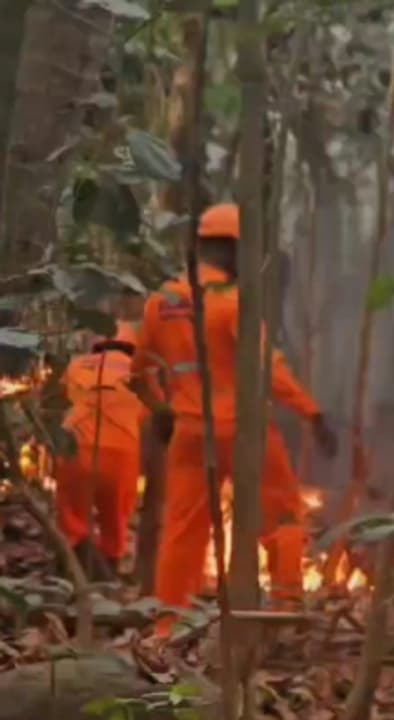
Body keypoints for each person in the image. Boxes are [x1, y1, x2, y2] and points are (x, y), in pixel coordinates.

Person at [130, 203, 336, 631]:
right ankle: (284, 608)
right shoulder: (232, 303)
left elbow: (138, 373)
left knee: (182, 533)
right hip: (244, 433)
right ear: (235, 252)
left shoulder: (162, 301)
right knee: (281, 518)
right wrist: (311, 412)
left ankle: (169, 627)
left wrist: (161, 409)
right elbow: (266, 370)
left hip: (189, 432)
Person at [55, 321, 145, 579]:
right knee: (115, 519)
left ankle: (73, 574)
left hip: (74, 449)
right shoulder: (140, 372)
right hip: (120, 453)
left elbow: (61, 399)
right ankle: (109, 576)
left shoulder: (76, 366)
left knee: (72, 518)